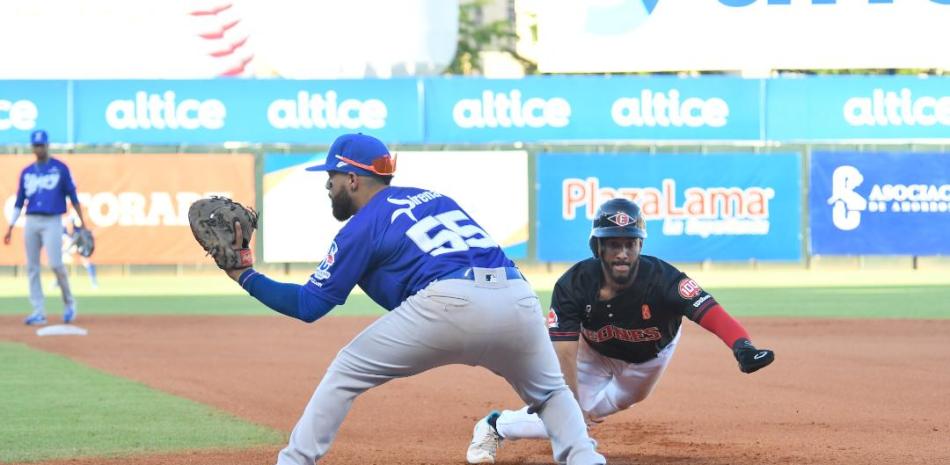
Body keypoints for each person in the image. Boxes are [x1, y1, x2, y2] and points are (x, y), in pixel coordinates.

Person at [221, 133, 605, 465]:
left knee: (346, 369)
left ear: (353, 179)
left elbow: (309, 305)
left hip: (451, 303)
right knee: (551, 392)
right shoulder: (436, 198)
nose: (328, 185)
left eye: (332, 176)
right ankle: (586, 458)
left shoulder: (362, 225)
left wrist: (244, 274)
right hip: (517, 297)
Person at [465, 198, 775, 464]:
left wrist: (742, 346)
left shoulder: (664, 279)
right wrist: (568, 413)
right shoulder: (573, 285)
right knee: (565, 415)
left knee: (619, 401)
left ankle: (580, 422)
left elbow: (710, 311)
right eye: (613, 243)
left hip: (650, 359)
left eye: (629, 243)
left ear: (640, 245)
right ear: (598, 246)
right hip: (593, 354)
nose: (622, 252)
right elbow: (563, 354)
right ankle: (496, 426)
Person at [3, 130, 86, 325]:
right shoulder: (27, 172)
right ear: (32, 147)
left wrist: (83, 222)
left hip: (52, 220)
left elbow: (73, 197)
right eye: (36, 145)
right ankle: (38, 310)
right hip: (31, 220)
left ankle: (69, 303)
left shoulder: (60, 168)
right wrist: (10, 227)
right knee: (32, 267)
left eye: (42, 144)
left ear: (48, 145)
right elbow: (19, 201)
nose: (39, 148)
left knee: (56, 264)